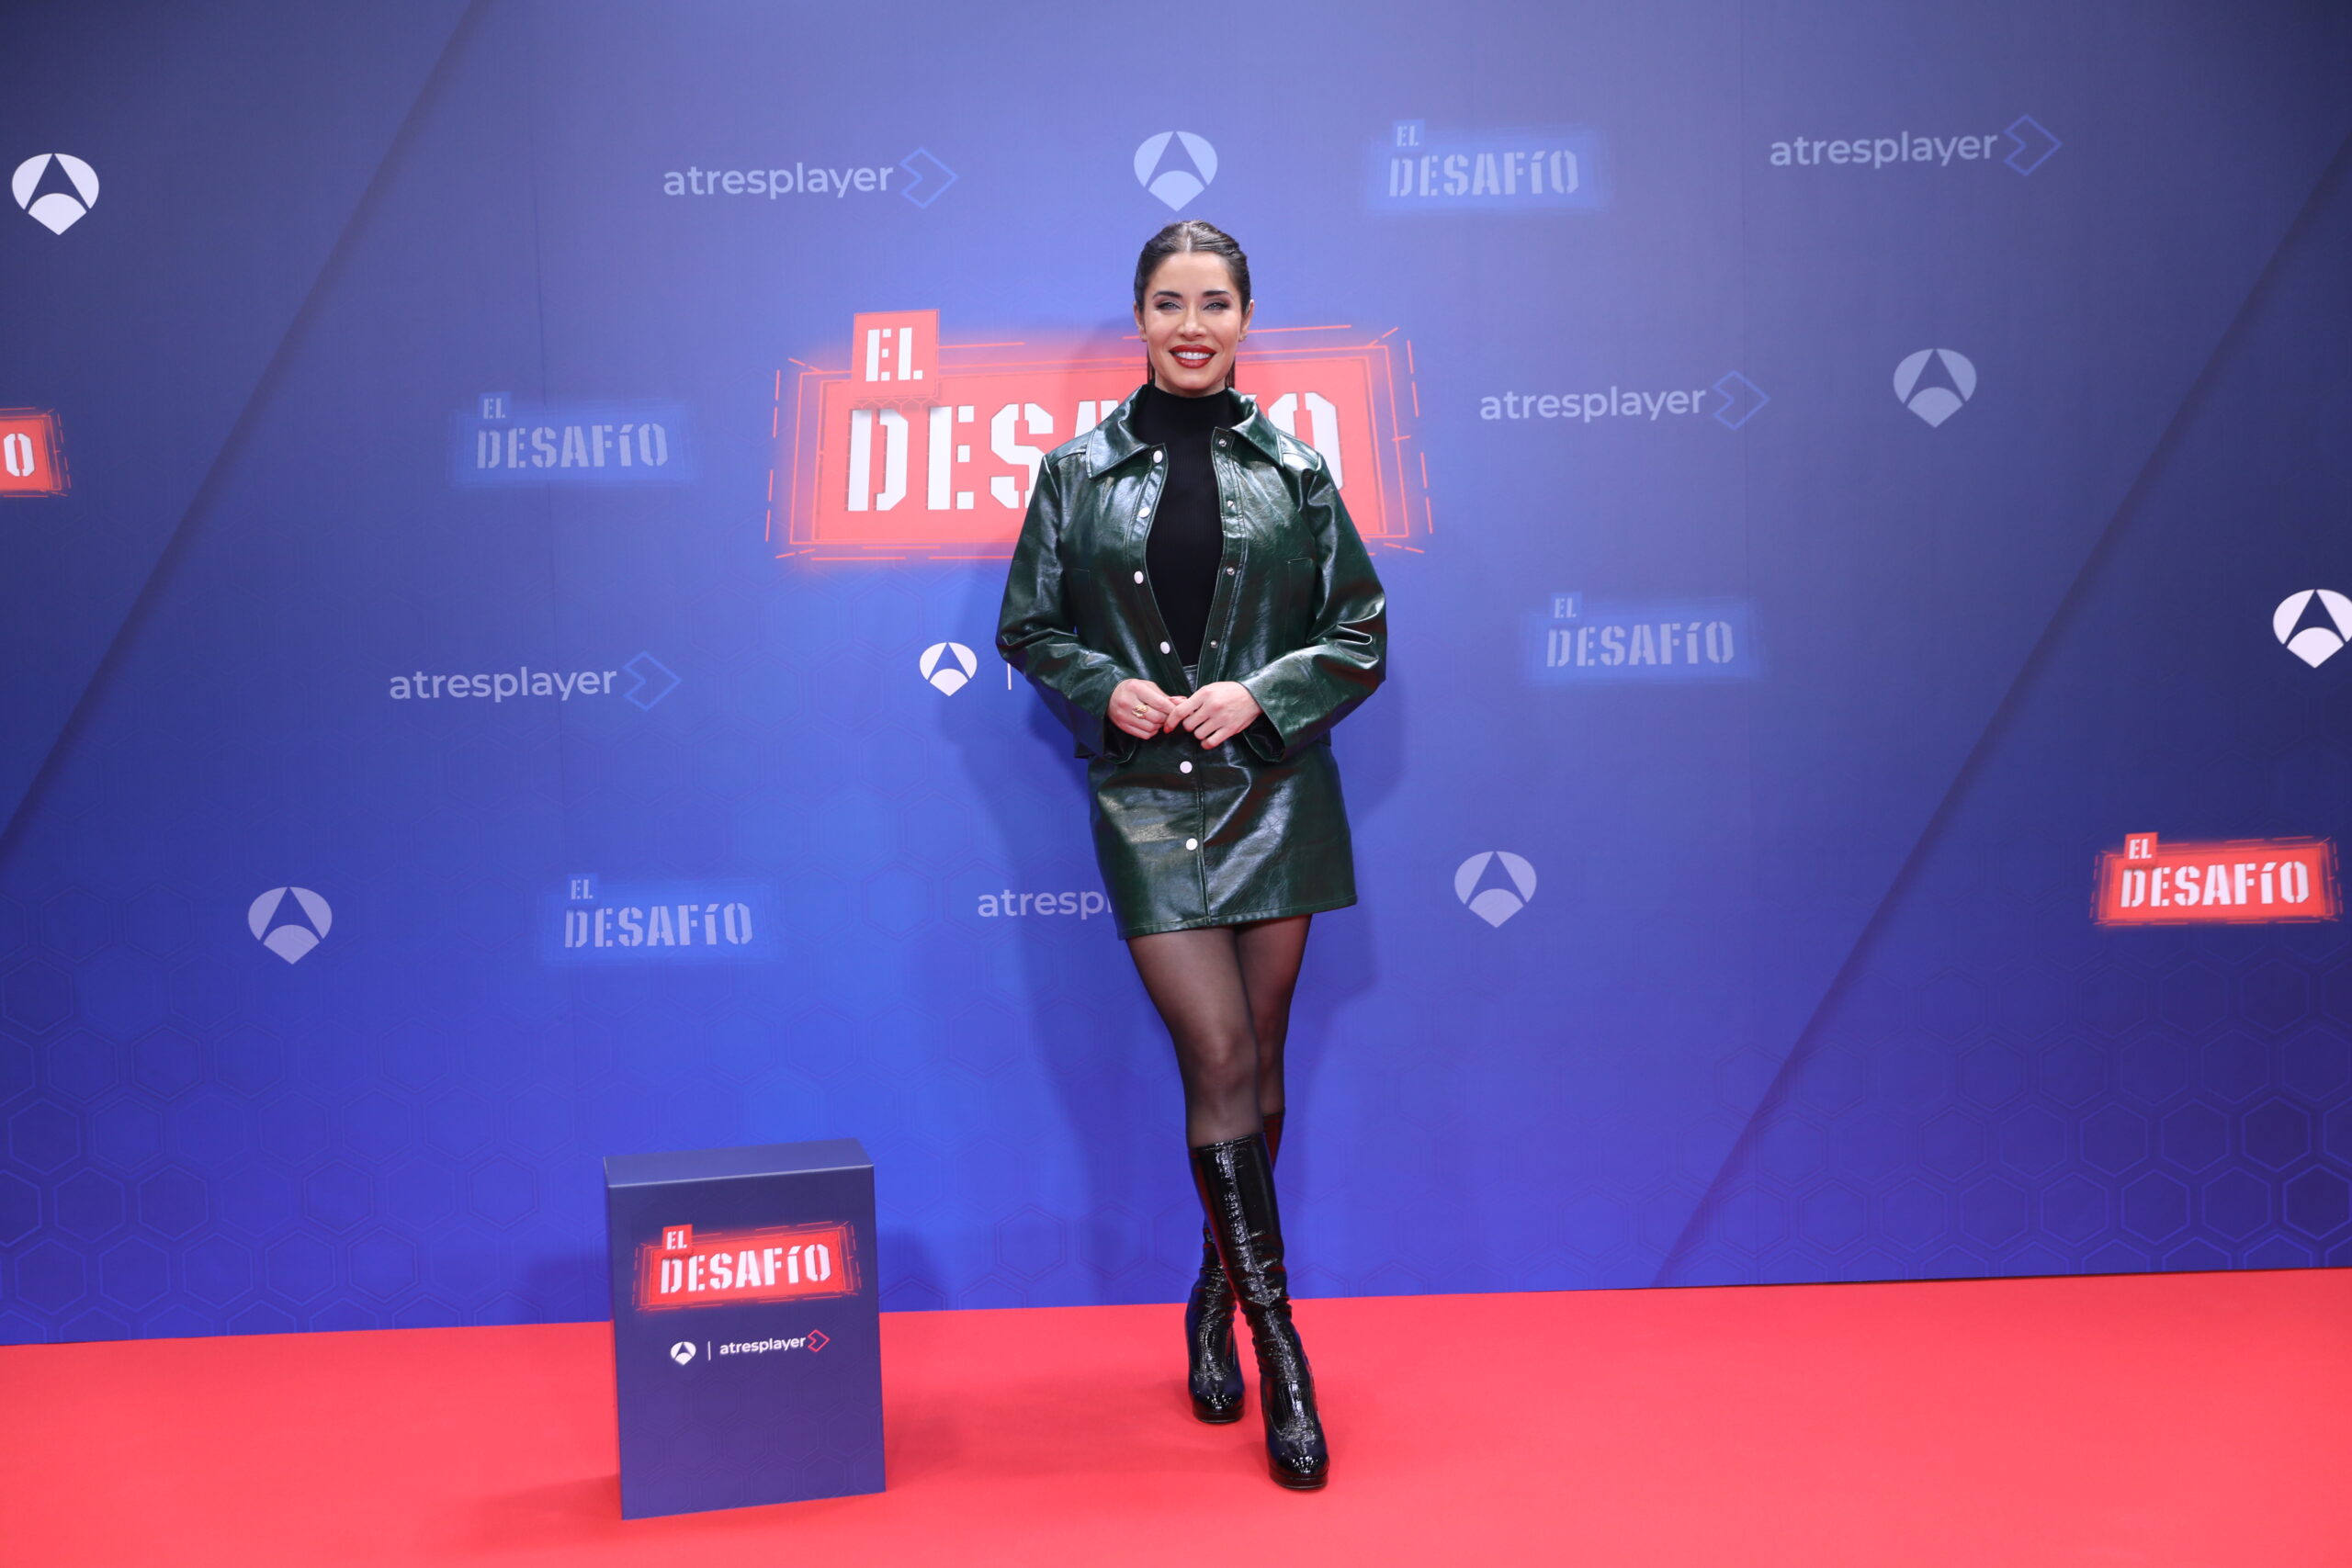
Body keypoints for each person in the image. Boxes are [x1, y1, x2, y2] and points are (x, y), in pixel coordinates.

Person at [996, 220, 1385, 1490]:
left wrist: (1264, 693)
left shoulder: (1297, 471)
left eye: (1215, 302)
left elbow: (1359, 632)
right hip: (1147, 806)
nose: (1193, 325)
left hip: (1277, 793)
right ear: (1140, 316)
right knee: (1215, 1054)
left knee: (1260, 1070)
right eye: (1170, 302)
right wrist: (1100, 686)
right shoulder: (1074, 472)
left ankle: (1215, 1298)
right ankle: (1285, 1352)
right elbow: (1030, 627)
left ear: (1246, 317)